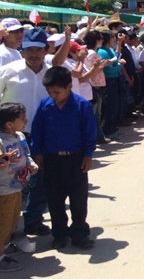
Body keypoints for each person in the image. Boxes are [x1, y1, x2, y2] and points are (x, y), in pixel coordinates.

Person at [0, 27, 62, 237]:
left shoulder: (52, 73)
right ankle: (7, 225)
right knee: (9, 181)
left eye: (38, 49)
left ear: (46, 50)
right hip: (13, 136)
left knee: (40, 179)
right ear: (22, 50)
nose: (34, 54)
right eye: (29, 49)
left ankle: (33, 220)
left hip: (45, 135)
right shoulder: (8, 71)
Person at [31, 66, 97, 250]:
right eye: (49, 92)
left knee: (78, 199)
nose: (53, 95)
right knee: (55, 199)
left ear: (69, 86)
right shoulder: (45, 105)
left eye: (57, 92)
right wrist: (38, 152)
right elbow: (37, 130)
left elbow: (89, 133)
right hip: (52, 160)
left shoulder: (82, 105)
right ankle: (59, 233)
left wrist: (88, 155)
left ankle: (79, 233)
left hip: (75, 160)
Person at [0, 103, 38, 272]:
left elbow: (26, 154)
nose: (26, 121)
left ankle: (5, 246)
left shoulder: (21, 136)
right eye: (22, 119)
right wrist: (5, 159)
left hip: (17, 188)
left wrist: (31, 164)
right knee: (3, 223)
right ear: (9, 124)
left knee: (13, 220)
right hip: (3, 190)